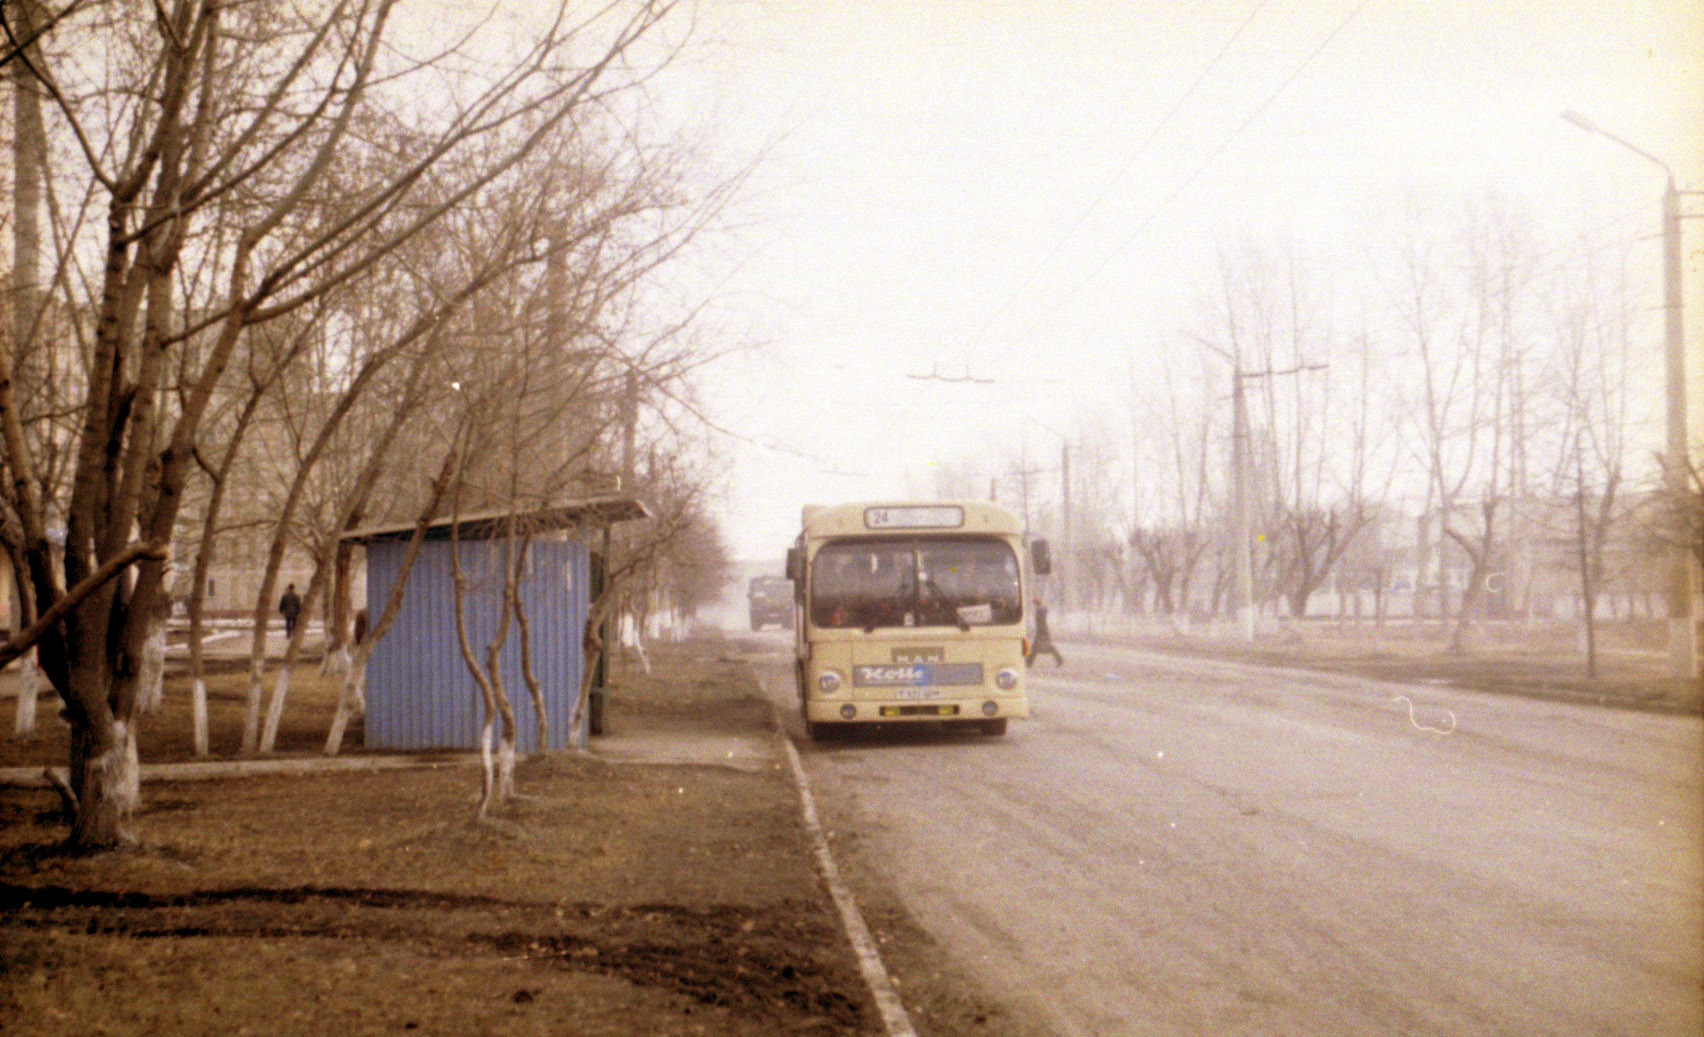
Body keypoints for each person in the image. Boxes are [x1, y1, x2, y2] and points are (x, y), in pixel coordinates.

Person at [1025, 597, 1063, 668]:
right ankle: (1028, 662)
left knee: (1040, 648)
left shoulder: (1039, 611)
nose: (1034, 605)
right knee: (1040, 648)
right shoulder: (1041, 611)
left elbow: (1041, 623)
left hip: (1041, 632)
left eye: (1034, 604)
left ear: (1036, 604)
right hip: (1042, 632)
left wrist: (1041, 634)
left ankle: (1028, 662)